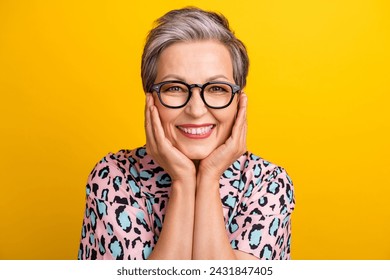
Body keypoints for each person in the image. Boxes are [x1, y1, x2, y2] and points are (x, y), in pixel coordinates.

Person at [78, 7, 295, 260]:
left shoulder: (266, 183)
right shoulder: (114, 176)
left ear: (239, 101)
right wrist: (182, 181)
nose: (196, 109)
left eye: (216, 88)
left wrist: (209, 177)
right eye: (175, 88)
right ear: (151, 100)